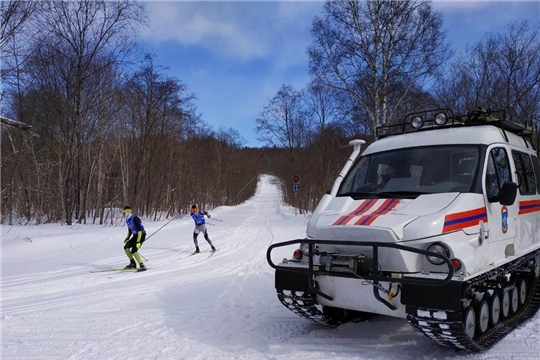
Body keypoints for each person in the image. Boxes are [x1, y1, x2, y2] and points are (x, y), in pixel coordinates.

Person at [122, 206, 147, 271]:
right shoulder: (128, 220)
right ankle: (132, 263)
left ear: (127, 212)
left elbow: (140, 231)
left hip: (141, 235)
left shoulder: (135, 218)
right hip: (135, 235)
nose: (123, 214)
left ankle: (142, 265)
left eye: (124, 213)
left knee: (134, 250)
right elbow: (130, 230)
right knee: (126, 247)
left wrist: (138, 242)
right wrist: (127, 238)